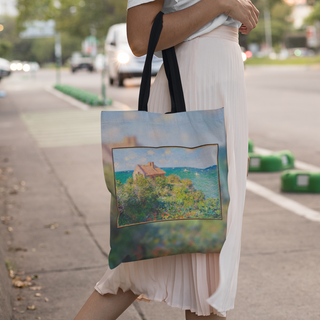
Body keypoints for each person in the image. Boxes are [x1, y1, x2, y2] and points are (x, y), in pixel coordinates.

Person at [74, 0, 259, 319]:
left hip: (221, 84)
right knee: (206, 250)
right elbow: (140, 38)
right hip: (195, 90)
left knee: (195, 252)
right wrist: (221, 4)